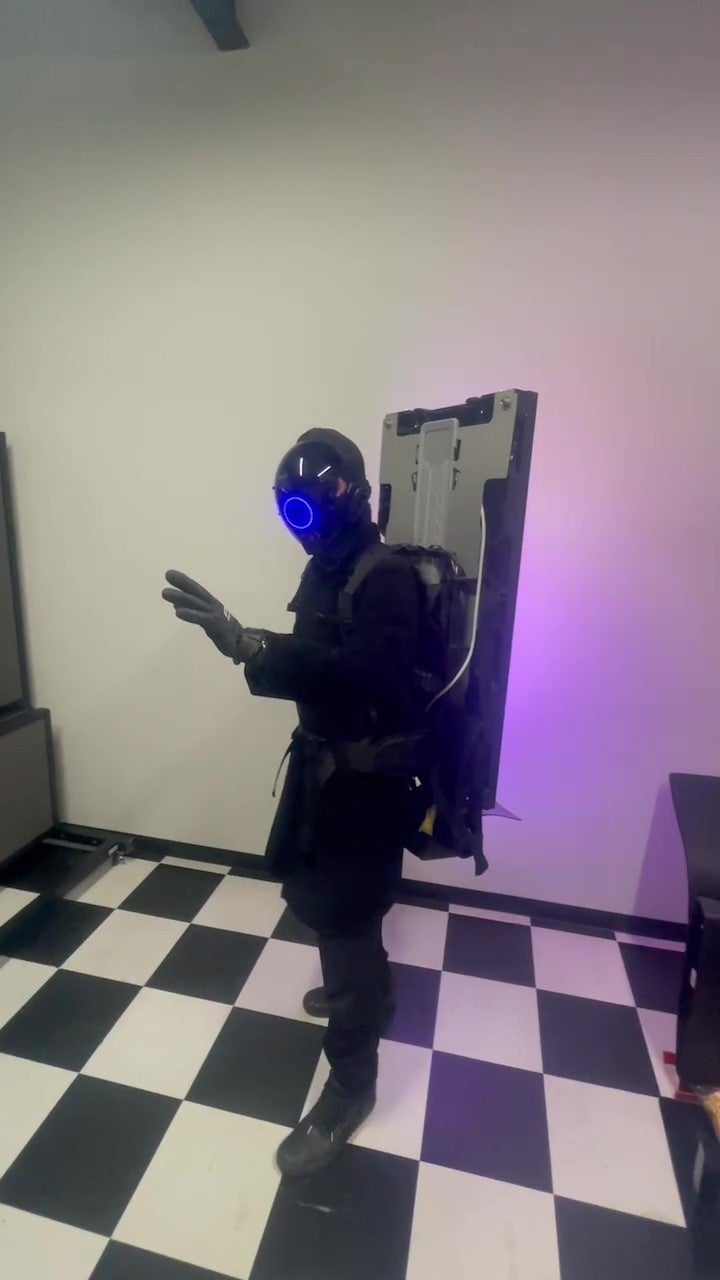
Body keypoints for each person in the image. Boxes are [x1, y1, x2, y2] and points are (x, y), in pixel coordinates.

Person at [162, 428, 422, 1177]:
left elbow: (364, 675)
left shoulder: (387, 577)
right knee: (323, 902)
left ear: (348, 491)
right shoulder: (331, 567)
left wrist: (255, 646)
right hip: (323, 771)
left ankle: (351, 1086)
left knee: (346, 921)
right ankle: (373, 990)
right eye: (287, 510)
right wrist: (258, 647)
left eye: (306, 506)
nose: (298, 524)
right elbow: (323, 667)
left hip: (367, 785)